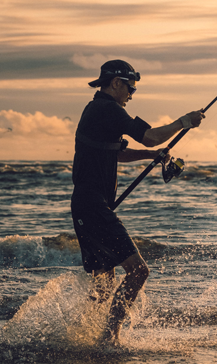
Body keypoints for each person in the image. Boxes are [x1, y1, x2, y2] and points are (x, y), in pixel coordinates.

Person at [71, 59, 204, 344]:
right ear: (116, 83)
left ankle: (82, 334)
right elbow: (150, 137)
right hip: (93, 205)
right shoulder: (109, 109)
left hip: (87, 204)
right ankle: (109, 336)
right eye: (130, 87)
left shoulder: (96, 110)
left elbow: (116, 153)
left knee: (104, 286)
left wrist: (150, 158)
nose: (132, 94)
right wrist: (184, 122)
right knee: (138, 270)